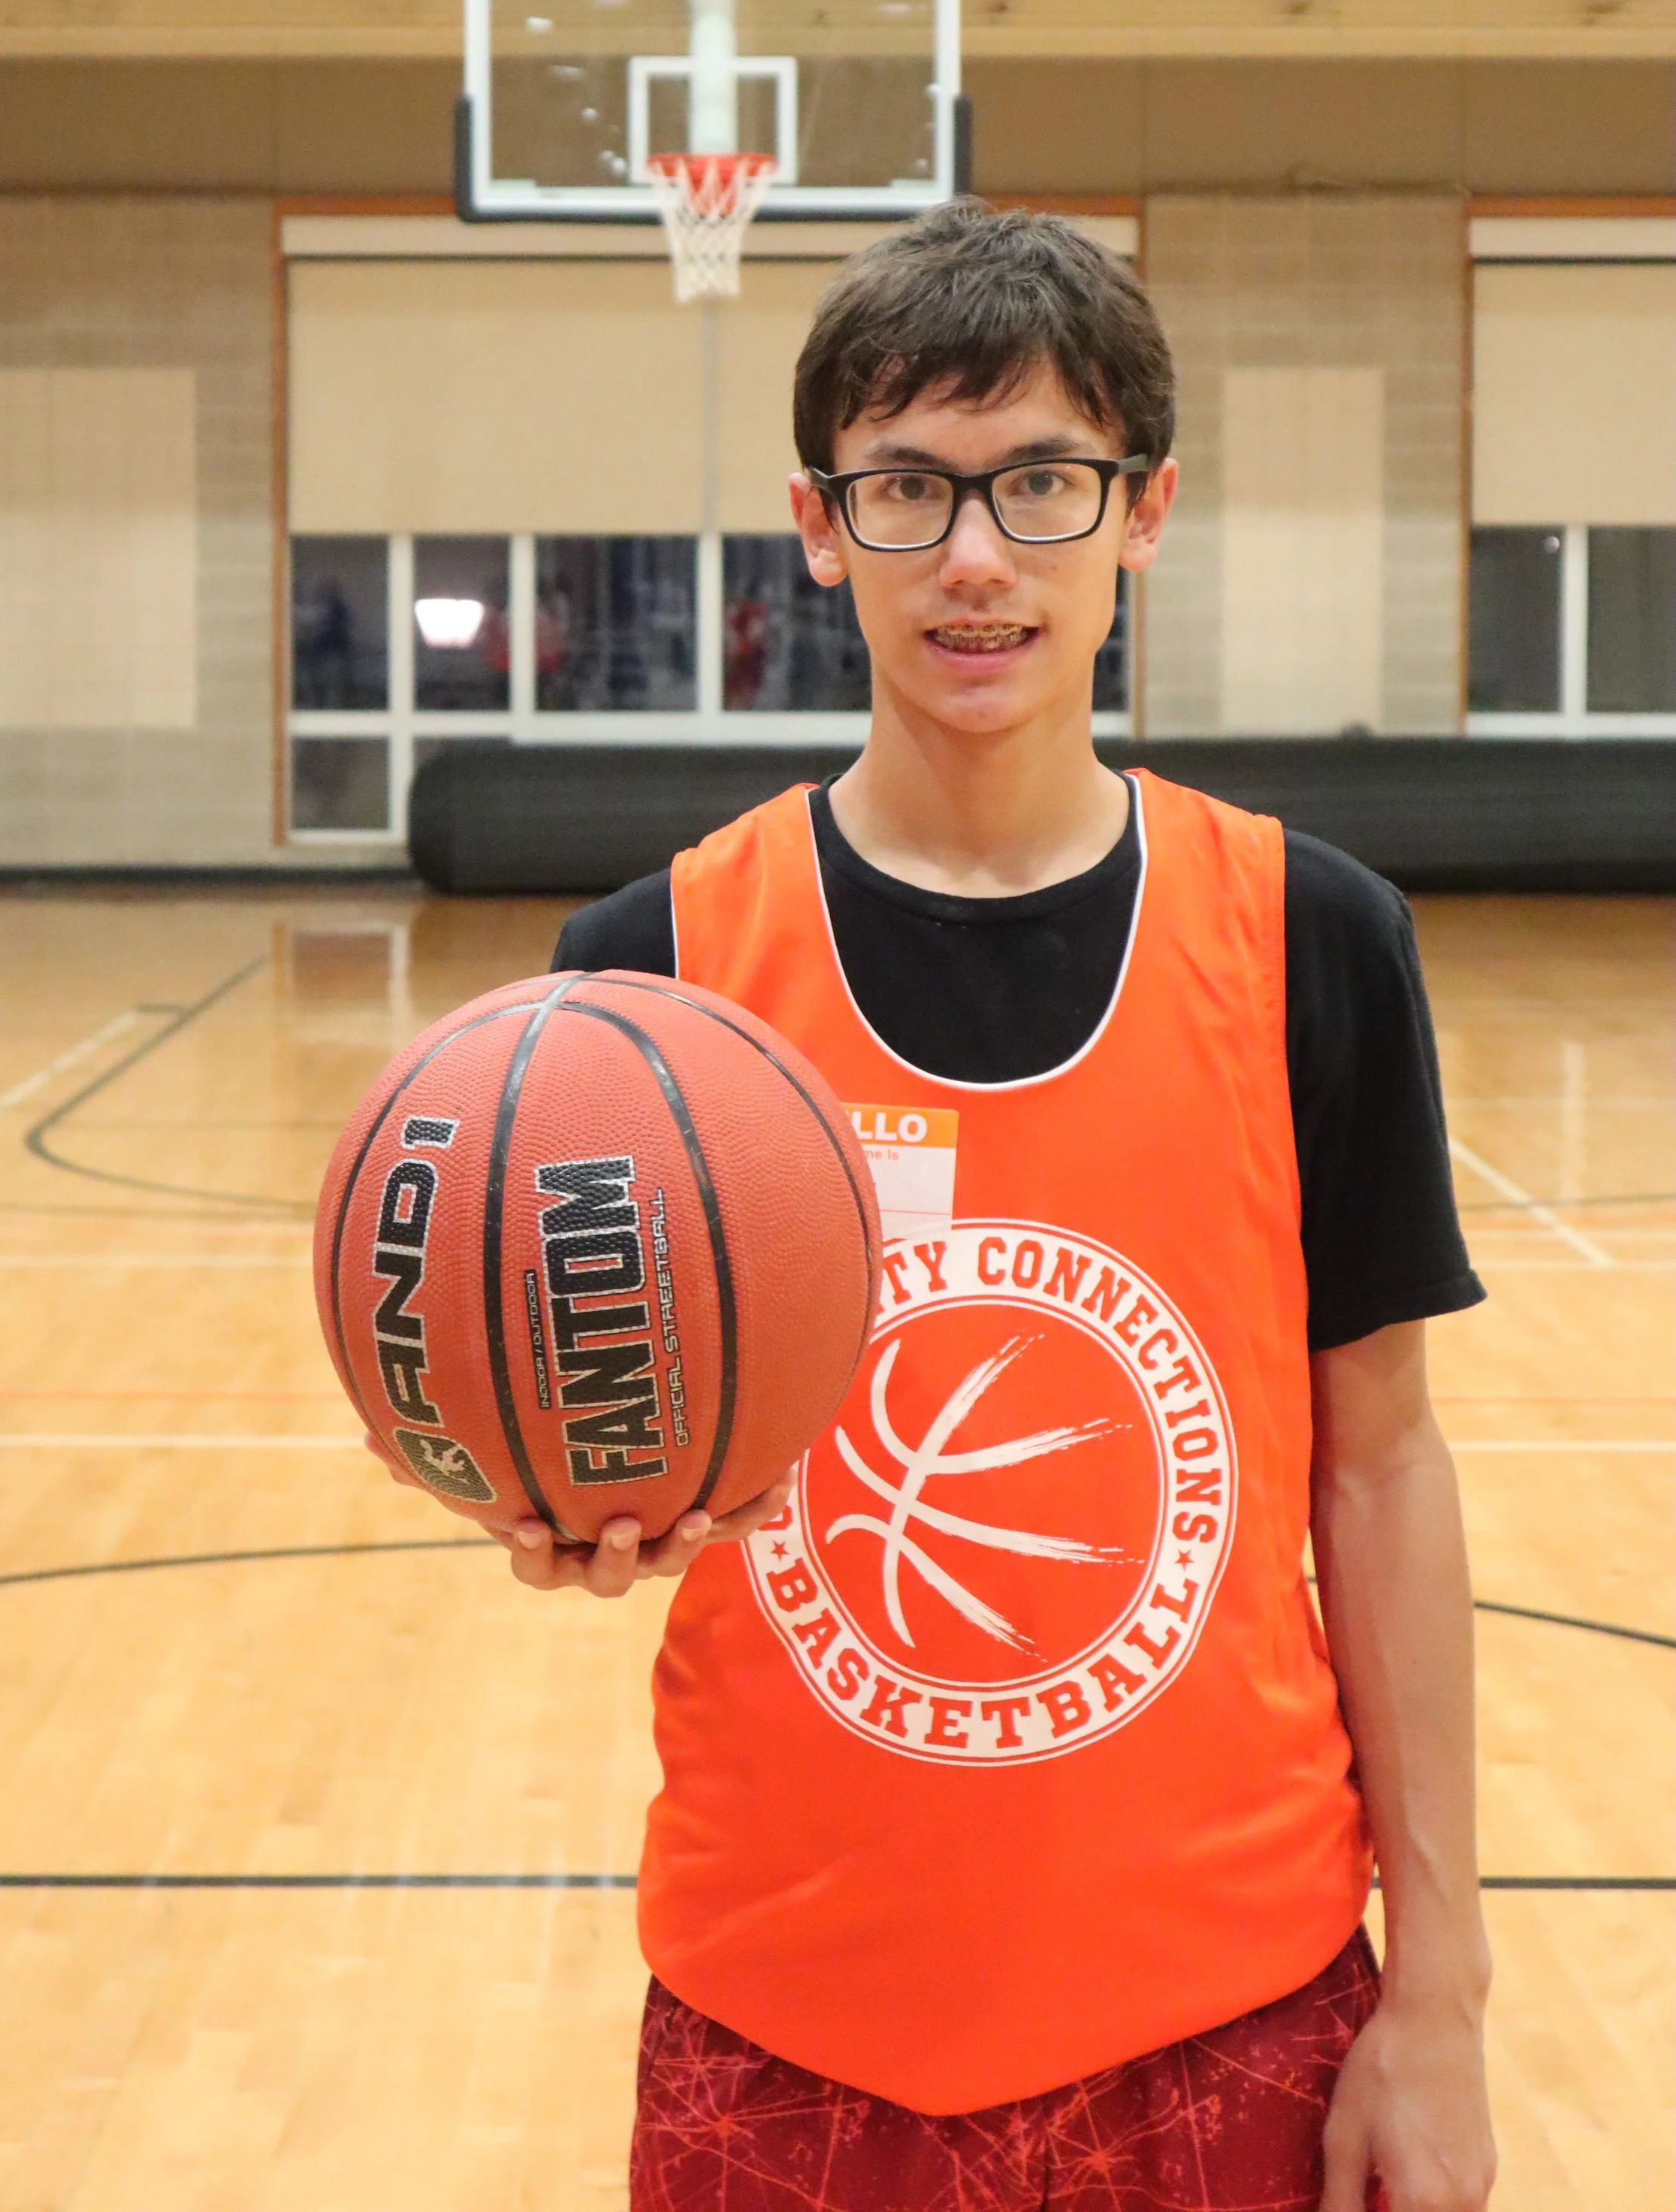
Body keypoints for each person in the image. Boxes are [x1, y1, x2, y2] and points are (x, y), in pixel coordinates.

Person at [467, 205, 1496, 2210]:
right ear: (815, 519)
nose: (970, 555)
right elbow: (607, 1439)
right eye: (906, 486)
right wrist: (571, 1493)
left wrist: (1439, 1991)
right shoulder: (645, 974)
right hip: (783, 2011)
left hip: (1227, 1993)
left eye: (1037, 482)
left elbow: (1378, 1475)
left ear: (1142, 509)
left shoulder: (1309, 941)